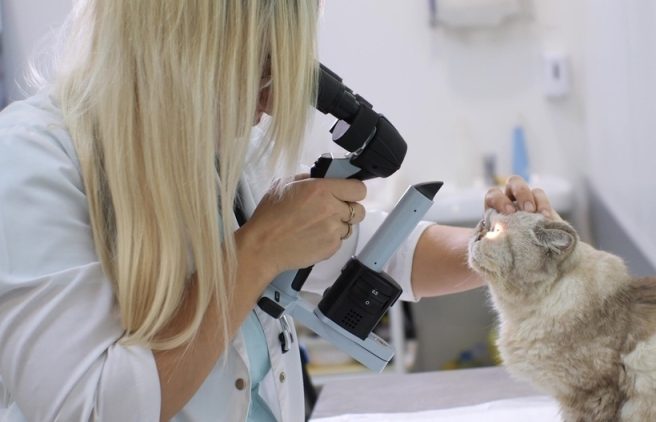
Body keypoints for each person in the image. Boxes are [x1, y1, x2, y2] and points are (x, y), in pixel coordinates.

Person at [0, 1, 557, 421]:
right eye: (260, 70)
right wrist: (259, 247)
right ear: (178, 47)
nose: (269, 103)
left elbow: (359, 251)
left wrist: (498, 249)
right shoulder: (32, 163)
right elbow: (89, 409)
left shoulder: (209, 146)